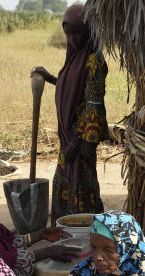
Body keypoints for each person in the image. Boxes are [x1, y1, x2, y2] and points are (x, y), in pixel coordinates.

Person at [30, 4, 108, 223]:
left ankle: (88, 231)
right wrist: (50, 77)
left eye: (78, 33)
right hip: (70, 137)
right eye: (68, 34)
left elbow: (93, 105)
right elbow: (73, 90)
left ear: (89, 32)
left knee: (82, 185)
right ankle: (67, 228)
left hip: (81, 138)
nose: (72, 39)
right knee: (65, 182)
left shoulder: (94, 61)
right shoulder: (75, 59)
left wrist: (76, 141)